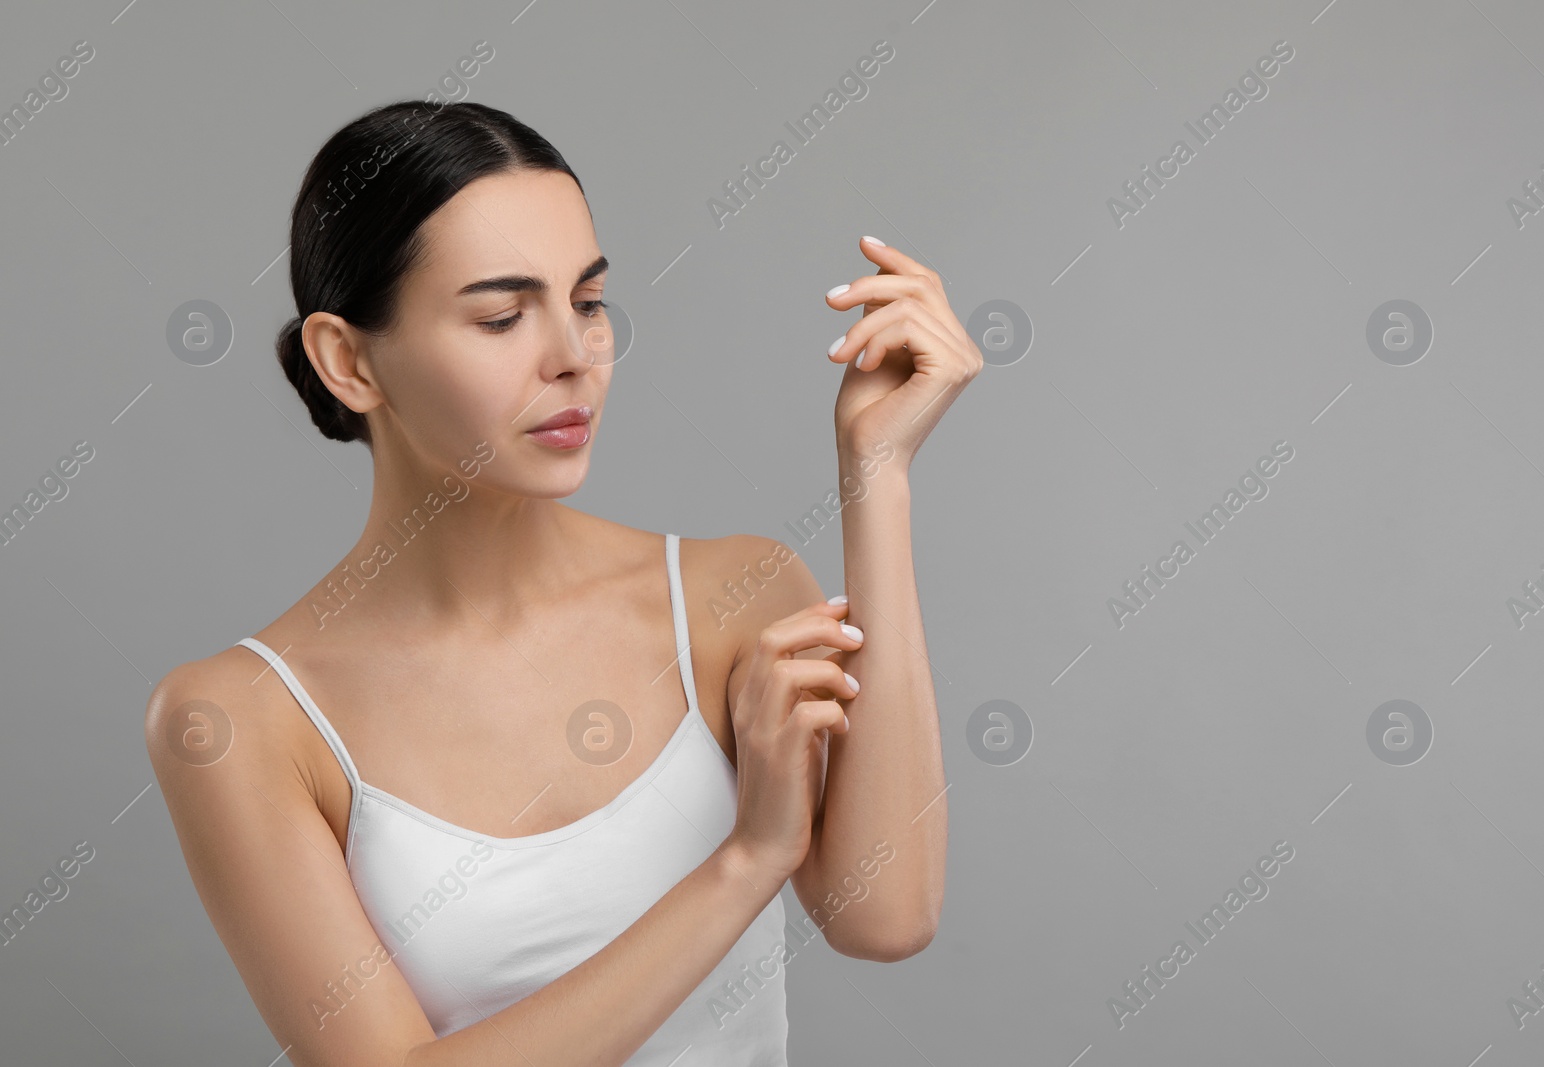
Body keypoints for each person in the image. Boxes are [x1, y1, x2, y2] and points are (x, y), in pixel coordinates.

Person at [144, 99, 974, 1067]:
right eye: (501, 316)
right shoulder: (240, 718)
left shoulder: (731, 595)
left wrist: (876, 473)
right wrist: (745, 860)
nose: (572, 357)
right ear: (348, 360)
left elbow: (886, 913)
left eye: (586, 302)